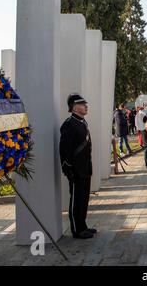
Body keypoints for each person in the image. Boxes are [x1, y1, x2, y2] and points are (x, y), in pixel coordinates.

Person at [60, 94, 96, 239]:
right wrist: (67, 167)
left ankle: (83, 225)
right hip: (75, 168)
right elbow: (64, 149)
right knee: (76, 198)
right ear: (74, 107)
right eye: (82, 104)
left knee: (84, 197)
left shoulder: (82, 122)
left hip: (85, 167)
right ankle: (76, 229)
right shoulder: (69, 124)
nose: (86, 106)